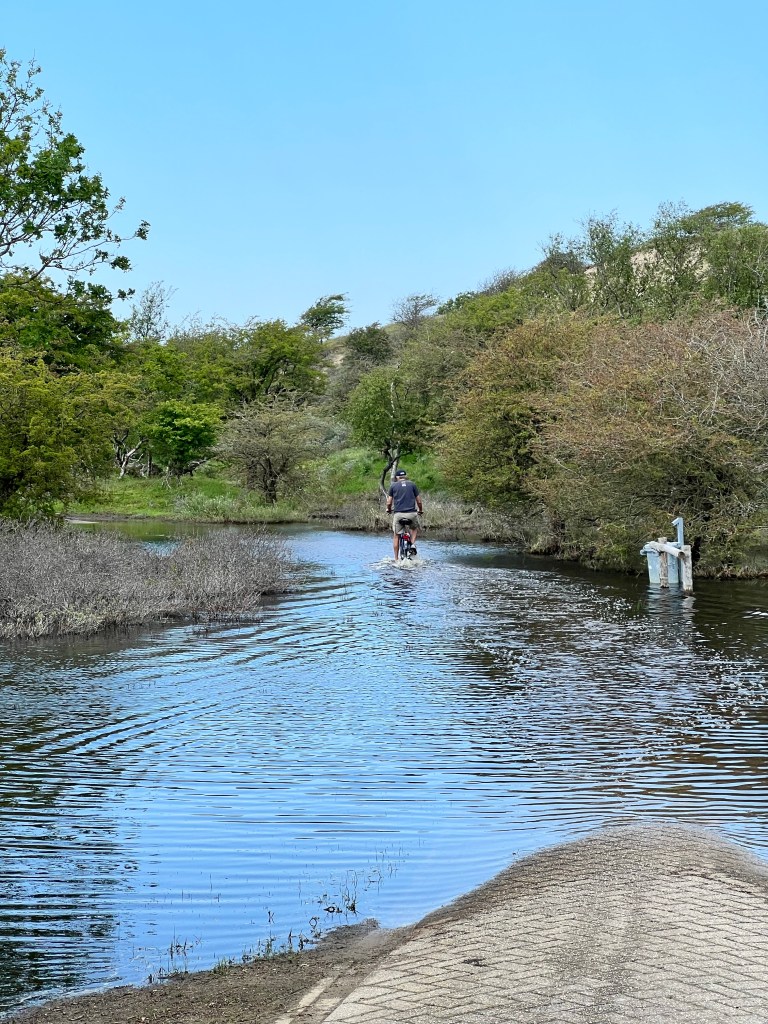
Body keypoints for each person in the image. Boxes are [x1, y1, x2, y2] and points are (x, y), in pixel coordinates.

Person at [386, 468, 423, 559]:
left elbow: (389, 502)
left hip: (398, 515)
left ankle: (396, 559)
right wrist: (420, 510)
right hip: (411, 514)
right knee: (414, 528)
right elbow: (419, 501)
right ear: (405, 476)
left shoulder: (393, 486)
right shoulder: (412, 484)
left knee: (396, 535)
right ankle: (412, 544)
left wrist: (389, 509)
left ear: (397, 477)